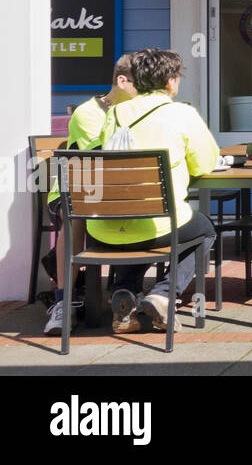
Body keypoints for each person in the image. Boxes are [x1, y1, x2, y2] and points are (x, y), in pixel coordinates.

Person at [87, 49, 220, 334]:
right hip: (156, 223)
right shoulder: (182, 113)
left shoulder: (116, 113)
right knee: (203, 230)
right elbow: (205, 162)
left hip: (103, 227)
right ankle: (163, 294)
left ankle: (125, 292)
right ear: (171, 81)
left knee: (141, 220)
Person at [43, 53, 137, 336]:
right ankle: (63, 302)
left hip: (120, 189)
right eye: (140, 86)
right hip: (75, 188)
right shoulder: (88, 113)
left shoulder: (139, 113)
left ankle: (129, 290)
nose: (144, 94)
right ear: (121, 81)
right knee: (76, 216)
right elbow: (106, 161)